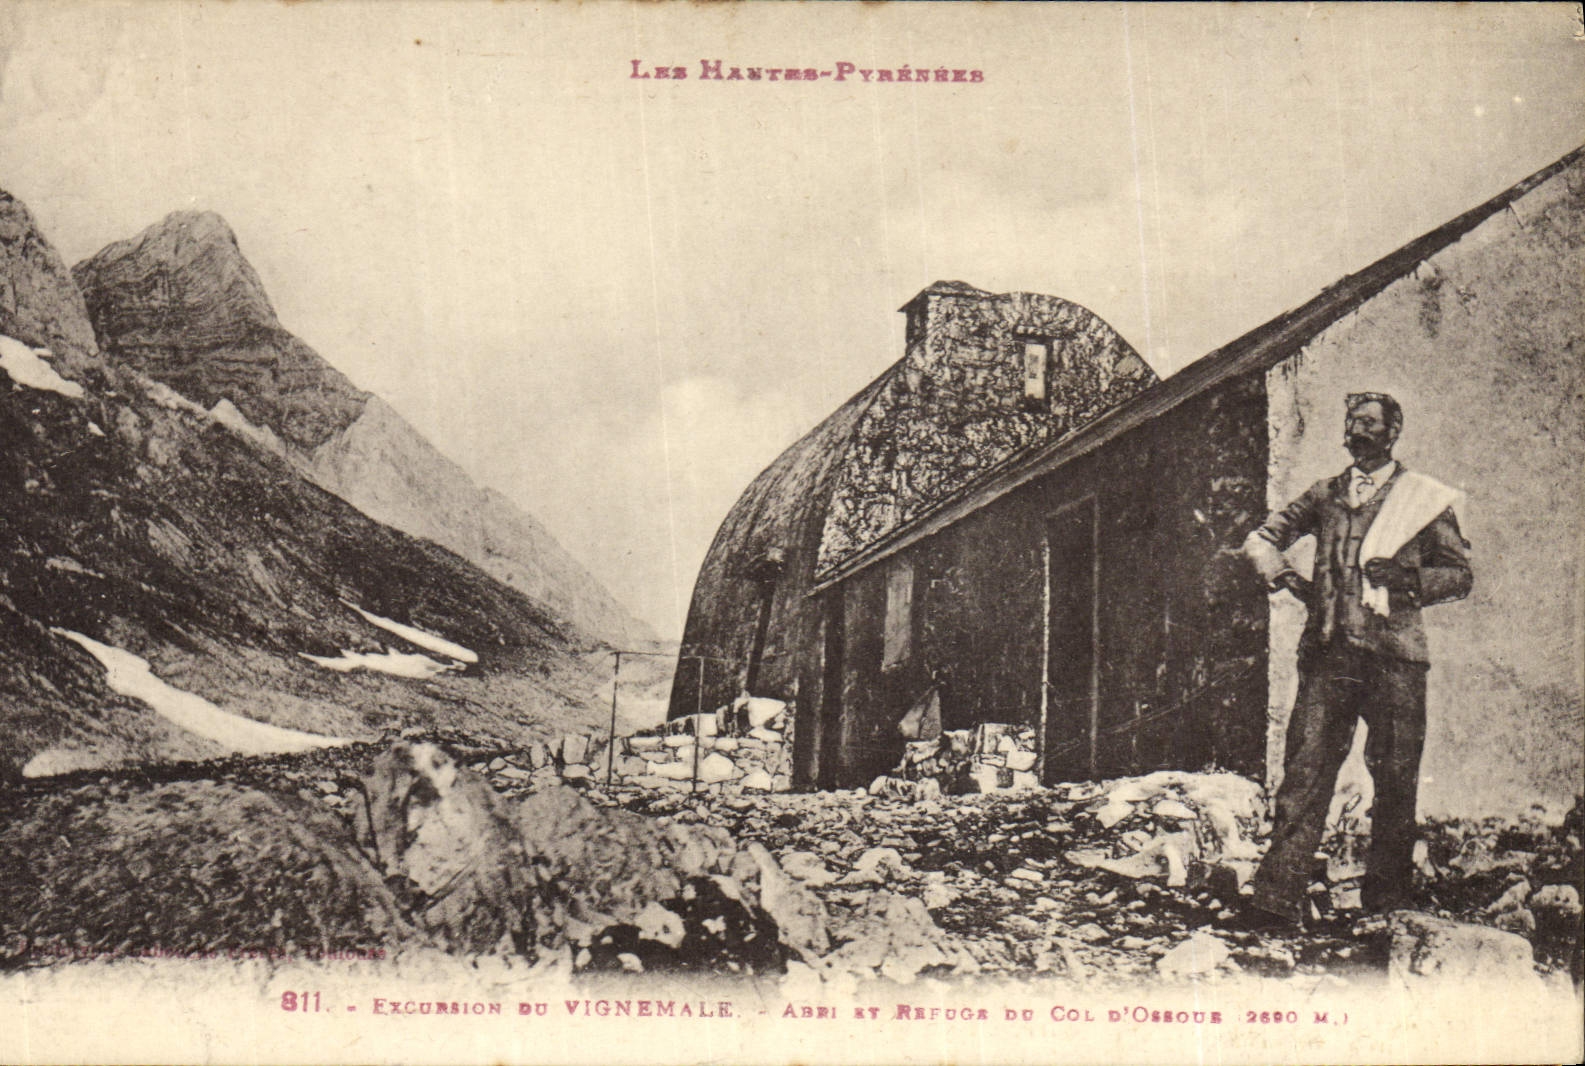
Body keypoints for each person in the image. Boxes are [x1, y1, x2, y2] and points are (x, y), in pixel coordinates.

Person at [1241, 392, 1472, 928]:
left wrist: (1408, 579)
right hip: (1328, 655)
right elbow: (1263, 538)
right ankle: (1275, 901)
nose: (1356, 431)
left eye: (1368, 422)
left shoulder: (1422, 499)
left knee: (1395, 777)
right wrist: (1284, 575)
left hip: (1395, 661)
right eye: (1351, 422)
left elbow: (1459, 575)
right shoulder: (1325, 494)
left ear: (1393, 432)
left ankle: (1387, 906)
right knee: (1304, 773)